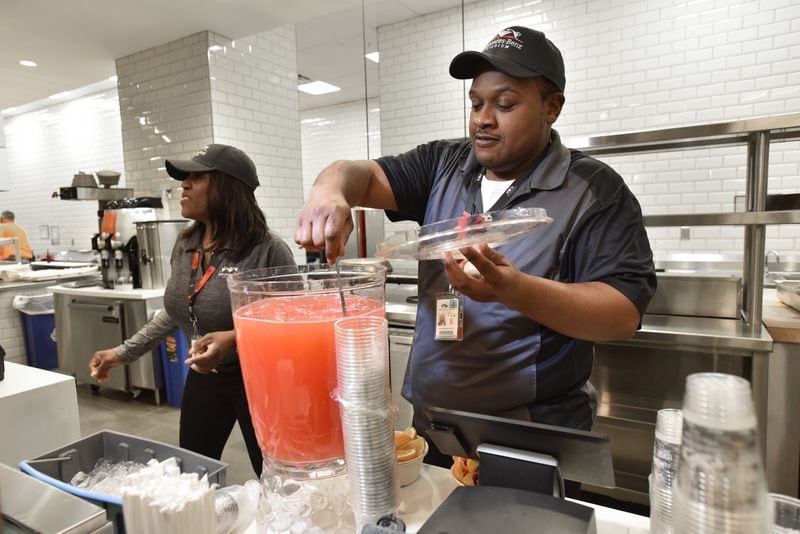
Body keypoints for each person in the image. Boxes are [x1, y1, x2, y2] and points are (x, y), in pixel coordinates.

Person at [295, 26, 657, 468]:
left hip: (529, 434)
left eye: (504, 104)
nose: (483, 118)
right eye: (476, 103)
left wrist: (514, 289)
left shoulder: (595, 190)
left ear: (552, 108)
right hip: (436, 423)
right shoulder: (444, 164)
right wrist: (330, 189)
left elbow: (621, 315)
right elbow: (362, 175)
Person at [90, 143, 296, 477]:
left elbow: (291, 322)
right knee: (191, 474)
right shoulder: (186, 245)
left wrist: (234, 339)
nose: (184, 185)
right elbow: (176, 312)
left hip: (259, 381)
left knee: (276, 475)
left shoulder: (267, 250)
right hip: (205, 378)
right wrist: (122, 353)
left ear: (228, 188)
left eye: (196, 177)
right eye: (184, 178)